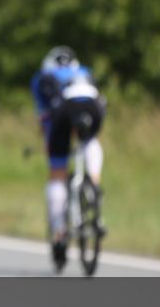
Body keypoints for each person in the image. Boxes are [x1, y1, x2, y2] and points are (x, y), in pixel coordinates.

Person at [31, 46, 105, 271]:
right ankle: (93, 183)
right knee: (90, 142)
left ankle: (60, 232)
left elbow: (45, 116)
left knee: (57, 173)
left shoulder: (42, 78)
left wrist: (50, 144)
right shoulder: (85, 71)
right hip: (94, 107)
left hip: (64, 110)